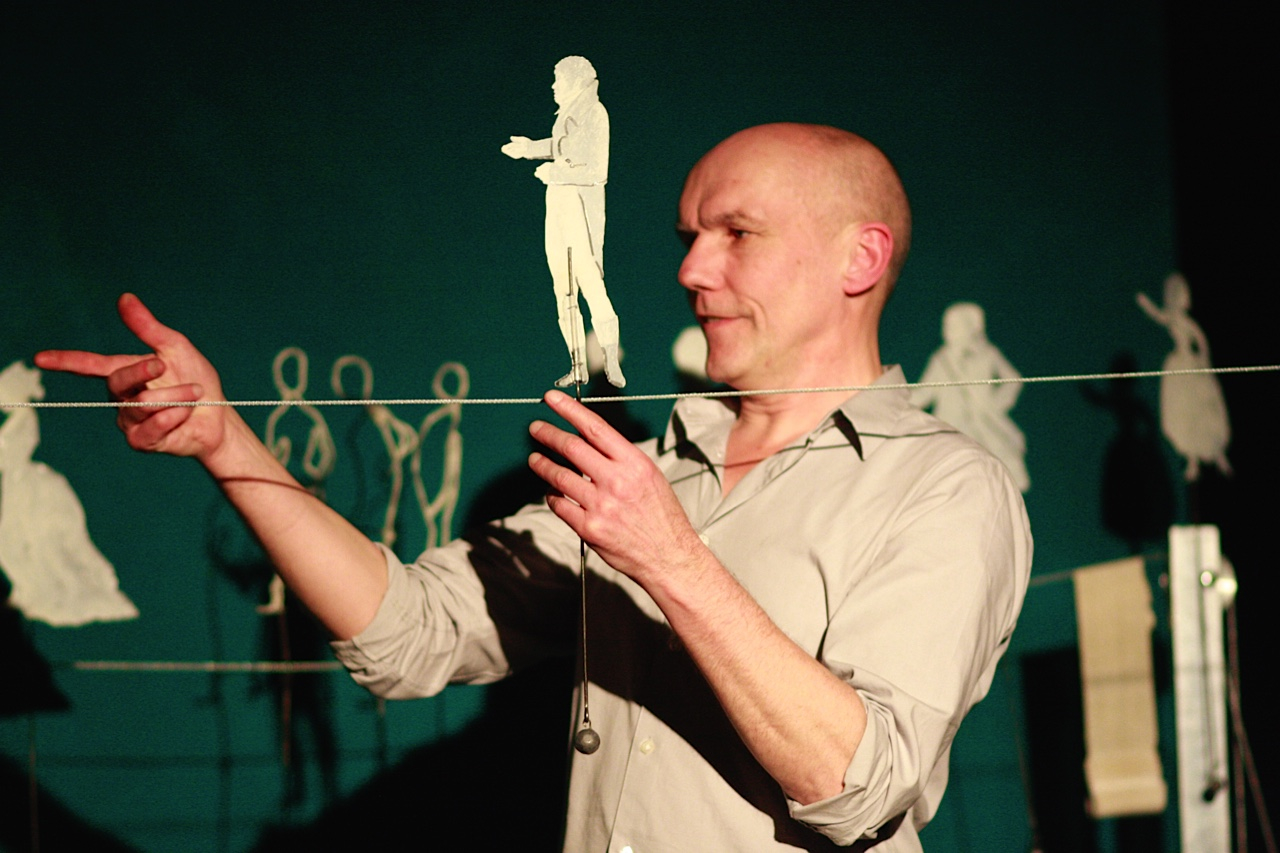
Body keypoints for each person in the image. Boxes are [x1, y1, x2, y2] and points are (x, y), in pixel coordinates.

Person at [36, 122, 1031, 851]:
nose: (690, 269)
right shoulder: (659, 473)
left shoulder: (946, 488)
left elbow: (861, 783)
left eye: (736, 233)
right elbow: (410, 630)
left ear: (861, 257)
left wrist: (670, 558)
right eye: (686, 236)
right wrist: (226, 443)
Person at [502, 55, 625, 388]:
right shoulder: (570, 115)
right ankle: (577, 364)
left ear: (575, 82)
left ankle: (609, 357)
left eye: (559, 80)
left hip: (578, 207)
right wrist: (530, 148)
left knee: (589, 281)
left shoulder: (595, 113)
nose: (554, 87)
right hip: (557, 204)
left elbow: (597, 170)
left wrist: (555, 172)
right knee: (563, 288)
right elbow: (561, 147)